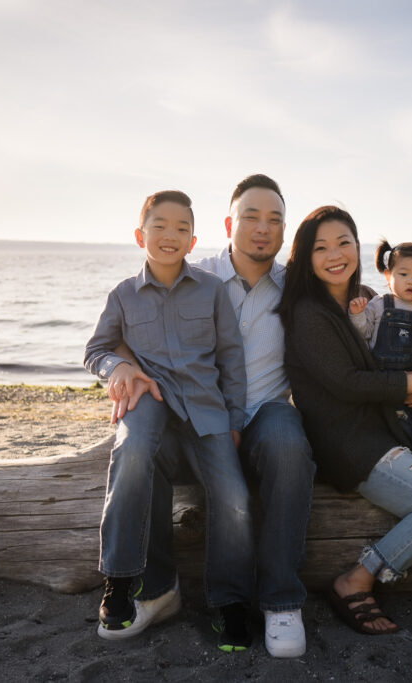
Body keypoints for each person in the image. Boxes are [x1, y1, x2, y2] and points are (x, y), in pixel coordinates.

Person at [107, 174, 316, 658]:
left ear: (285, 231)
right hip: (193, 415)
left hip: (263, 410)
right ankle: (157, 590)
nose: (263, 228)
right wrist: (120, 365)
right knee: (144, 448)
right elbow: (125, 327)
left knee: (289, 445)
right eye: (251, 216)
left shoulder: (295, 289)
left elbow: (348, 306)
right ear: (228, 223)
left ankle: (281, 600)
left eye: (275, 219)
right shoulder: (192, 275)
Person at [276, 205, 412, 635]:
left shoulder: (368, 299)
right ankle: (354, 581)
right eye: (321, 247)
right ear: (306, 256)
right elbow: (346, 383)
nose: (335, 253)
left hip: (386, 428)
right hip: (347, 443)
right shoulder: (308, 312)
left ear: (359, 247)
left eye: (344, 242)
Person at [83, 189, 256, 652]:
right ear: (140, 234)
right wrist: (116, 368)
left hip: (206, 408)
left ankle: (231, 601)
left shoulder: (212, 290)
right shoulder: (122, 295)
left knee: (235, 496)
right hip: (151, 399)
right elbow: (95, 351)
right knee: (132, 452)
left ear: (193, 240)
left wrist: (235, 421)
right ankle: (121, 579)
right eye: (160, 226)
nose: (170, 235)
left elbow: (231, 360)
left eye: (181, 228)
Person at [349, 238, 412, 468]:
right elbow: (365, 332)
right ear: (388, 276)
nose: (411, 282)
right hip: (388, 377)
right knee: (401, 419)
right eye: (404, 274)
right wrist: (357, 314)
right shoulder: (378, 304)